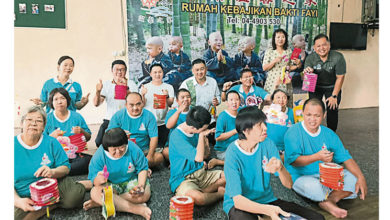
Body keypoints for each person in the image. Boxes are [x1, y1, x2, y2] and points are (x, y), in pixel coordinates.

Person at [223, 106, 324, 220]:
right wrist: (268, 211)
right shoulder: (232, 153)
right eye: (259, 125)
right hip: (241, 205)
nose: (265, 128)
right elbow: (238, 201)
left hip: (267, 200)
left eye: (264, 123)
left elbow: (289, 185)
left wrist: (281, 169)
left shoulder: (267, 144)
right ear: (246, 131)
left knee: (317, 218)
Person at [284, 98, 367, 218]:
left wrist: (361, 177)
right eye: (308, 115)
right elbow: (294, 162)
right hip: (301, 177)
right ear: (302, 113)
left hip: (327, 175)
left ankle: (330, 200)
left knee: (354, 179)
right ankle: (328, 196)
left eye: (317, 116)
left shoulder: (329, 133)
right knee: (315, 188)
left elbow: (345, 157)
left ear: (324, 115)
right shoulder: (293, 132)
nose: (312, 119)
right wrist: (317, 157)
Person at [14, 106, 86, 220]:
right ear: (22, 123)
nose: (33, 123)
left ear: (43, 126)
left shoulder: (51, 142)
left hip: (52, 186)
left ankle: (51, 202)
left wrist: (52, 171)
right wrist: (17, 201)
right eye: (29, 120)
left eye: (38, 121)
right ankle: (49, 204)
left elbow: (66, 167)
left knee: (74, 198)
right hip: (22, 192)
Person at [83, 128, 151, 220]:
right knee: (95, 192)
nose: (118, 152)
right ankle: (136, 209)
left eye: (121, 147)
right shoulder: (100, 155)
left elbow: (142, 168)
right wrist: (99, 179)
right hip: (112, 184)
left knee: (144, 195)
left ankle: (101, 202)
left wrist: (141, 186)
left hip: (131, 180)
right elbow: (94, 180)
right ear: (107, 148)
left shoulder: (133, 148)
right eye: (114, 149)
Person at [169, 106, 226, 206]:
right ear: (193, 128)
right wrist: (201, 136)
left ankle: (204, 190)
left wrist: (205, 141)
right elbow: (198, 158)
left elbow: (205, 155)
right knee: (199, 198)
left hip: (201, 173)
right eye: (203, 129)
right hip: (184, 178)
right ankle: (220, 194)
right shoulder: (177, 136)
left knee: (230, 176)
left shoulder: (195, 130)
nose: (206, 130)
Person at [107, 92, 164, 168]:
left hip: (144, 151)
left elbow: (154, 137)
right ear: (126, 105)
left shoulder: (149, 116)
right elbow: (109, 135)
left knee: (159, 157)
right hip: (124, 151)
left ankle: (131, 168)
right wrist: (120, 133)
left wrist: (150, 156)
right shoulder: (118, 115)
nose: (135, 108)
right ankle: (141, 168)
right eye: (131, 105)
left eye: (138, 104)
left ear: (142, 103)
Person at [44, 88, 92, 175]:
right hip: (55, 156)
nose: (59, 102)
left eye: (62, 98)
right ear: (51, 102)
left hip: (74, 155)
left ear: (67, 100)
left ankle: (60, 172)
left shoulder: (77, 117)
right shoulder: (47, 118)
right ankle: (63, 170)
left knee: (89, 161)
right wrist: (51, 136)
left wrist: (82, 131)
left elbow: (88, 137)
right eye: (56, 99)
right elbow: (41, 143)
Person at [303, 34, 346, 131]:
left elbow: (340, 77)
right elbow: (306, 81)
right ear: (314, 47)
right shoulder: (310, 58)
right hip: (315, 87)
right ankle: (312, 131)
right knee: (313, 109)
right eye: (318, 46)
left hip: (332, 87)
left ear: (329, 45)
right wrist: (308, 74)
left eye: (324, 45)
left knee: (332, 109)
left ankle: (331, 133)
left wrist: (334, 96)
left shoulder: (338, 57)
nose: (321, 48)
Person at [93, 60, 138, 147]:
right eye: (117, 69)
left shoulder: (131, 84)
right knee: (99, 142)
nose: (119, 72)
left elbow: (135, 102)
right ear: (112, 71)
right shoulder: (106, 84)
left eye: (122, 69)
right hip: (110, 119)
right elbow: (96, 104)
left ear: (125, 71)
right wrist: (98, 91)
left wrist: (126, 88)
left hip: (126, 119)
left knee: (125, 143)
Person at [180, 58, 220, 145]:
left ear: (206, 69)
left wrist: (217, 101)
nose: (200, 72)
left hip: (210, 120)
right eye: (197, 70)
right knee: (195, 143)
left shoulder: (213, 82)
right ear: (192, 71)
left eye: (202, 69)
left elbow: (218, 97)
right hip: (193, 121)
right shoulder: (187, 84)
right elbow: (180, 101)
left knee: (213, 141)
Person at [140, 63, 174, 159]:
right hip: (149, 123)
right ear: (150, 74)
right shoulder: (145, 87)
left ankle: (160, 157)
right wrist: (142, 95)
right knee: (149, 146)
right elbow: (141, 105)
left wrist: (166, 96)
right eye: (155, 72)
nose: (157, 74)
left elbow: (170, 103)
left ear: (163, 73)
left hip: (163, 122)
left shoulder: (168, 87)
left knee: (162, 147)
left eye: (160, 72)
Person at [263, 29, 301, 108]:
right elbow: (264, 68)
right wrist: (274, 61)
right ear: (274, 39)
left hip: (285, 81)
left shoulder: (289, 51)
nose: (280, 39)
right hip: (272, 81)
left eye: (283, 37)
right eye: (278, 37)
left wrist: (298, 64)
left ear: (286, 39)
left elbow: (289, 67)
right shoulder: (269, 51)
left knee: (285, 103)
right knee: (271, 103)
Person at [208, 91, 240, 169]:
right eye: (231, 100)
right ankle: (218, 162)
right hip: (224, 150)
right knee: (242, 162)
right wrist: (235, 131)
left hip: (238, 147)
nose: (234, 102)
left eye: (237, 100)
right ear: (226, 102)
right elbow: (218, 137)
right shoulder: (223, 116)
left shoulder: (241, 114)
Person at [264, 89, 295, 162]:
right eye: (278, 97)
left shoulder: (292, 112)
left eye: (284, 97)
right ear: (273, 100)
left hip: (285, 149)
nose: (281, 100)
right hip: (268, 148)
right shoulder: (267, 111)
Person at [164, 88, 192, 160]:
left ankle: (180, 161)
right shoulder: (172, 112)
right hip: (175, 145)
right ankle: (185, 161)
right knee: (166, 152)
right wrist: (179, 111)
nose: (186, 99)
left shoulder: (194, 111)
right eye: (182, 97)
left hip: (191, 143)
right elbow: (169, 126)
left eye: (188, 97)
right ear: (177, 101)